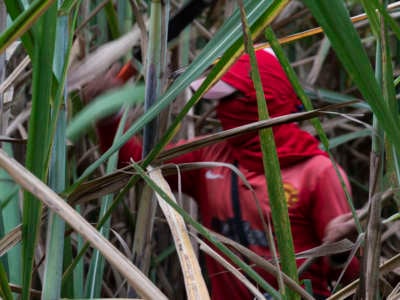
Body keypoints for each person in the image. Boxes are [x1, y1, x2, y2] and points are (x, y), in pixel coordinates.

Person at [83, 48, 359, 299]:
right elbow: (136, 168)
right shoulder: (210, 154)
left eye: (232, 97)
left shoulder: (318, 173)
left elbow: (354, 278)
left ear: (267, 97)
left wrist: (340, 253)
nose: (222, 109)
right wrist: (108, 116)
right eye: (219, 99)